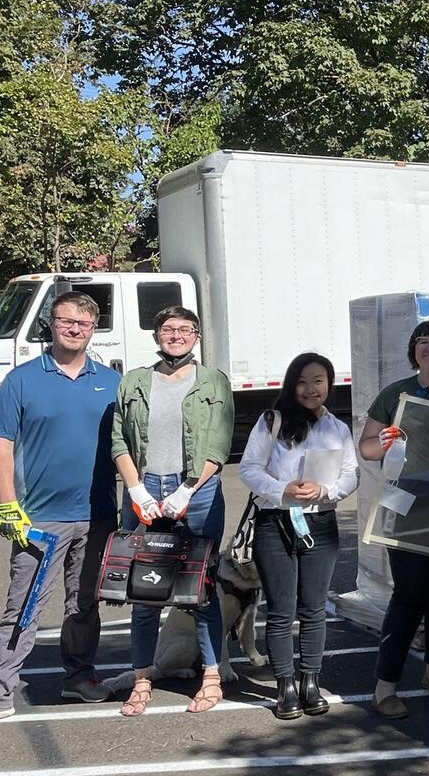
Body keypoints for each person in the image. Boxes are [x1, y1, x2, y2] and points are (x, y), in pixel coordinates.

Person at [0, 292, 121, 718]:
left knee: (84, 604)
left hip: (97, 515)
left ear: (93, 329)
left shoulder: (112, 382)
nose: (74, 329)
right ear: (51, 324)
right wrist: (6, 505)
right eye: (66, 321)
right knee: (26, 602)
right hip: (40, 518)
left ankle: (78, 677)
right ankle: (2, 684)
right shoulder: (20, 380)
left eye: (84, 324)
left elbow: (126, 448)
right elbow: (3, 446)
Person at [112, 306, 235, 716]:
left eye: (185, 329)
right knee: (144, 589)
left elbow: (218, 445)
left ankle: (212, 675)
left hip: (196, 493)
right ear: (157, 335)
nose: (176, 335)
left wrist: (187, 489)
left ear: (196, 336)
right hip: (144, 487)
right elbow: (119, 440)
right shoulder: (134, 381)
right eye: (168, 329)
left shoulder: (213, 382)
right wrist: (135, 489)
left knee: (201, 588)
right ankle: (142, 677)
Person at [359, 320, 429, 720]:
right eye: (423, 341)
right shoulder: (396, 393)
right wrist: (383, 442)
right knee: (409, 596)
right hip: (405, 505)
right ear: (414, 350)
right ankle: (384, 686)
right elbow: (368, 449)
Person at [239, 352, 358, 719]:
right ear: (292, 385)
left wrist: (326, 492)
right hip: (276, 522)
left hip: (320, 524)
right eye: (303, 382)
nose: (311, 389)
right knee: (281, 610)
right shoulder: (271, 421)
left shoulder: (337, 428)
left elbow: (351, 473)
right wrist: (282, 489)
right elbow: (248, 468)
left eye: (319, 381)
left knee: (314, 608)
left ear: (329, 384)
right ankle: (285, 685)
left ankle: (311, 679)